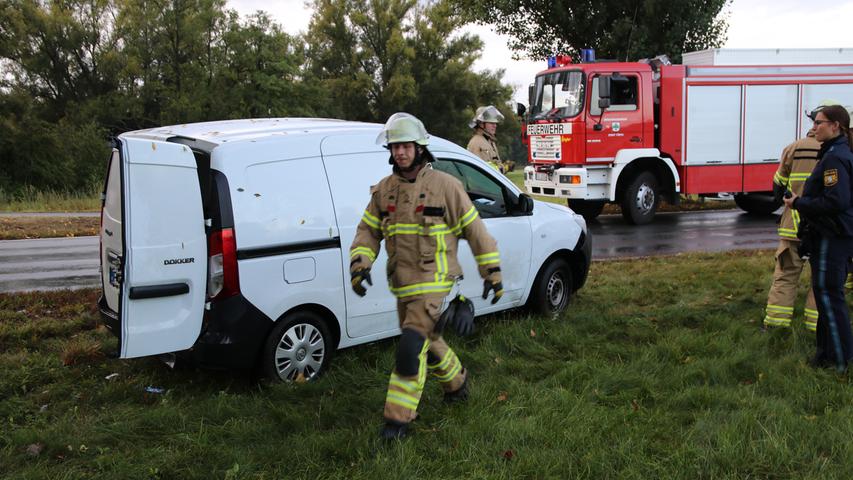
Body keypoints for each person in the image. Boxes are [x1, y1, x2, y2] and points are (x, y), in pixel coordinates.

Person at [350, 113, 504, 439]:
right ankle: (457, 383)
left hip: (436, 283)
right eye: (395, 147)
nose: (400, 153)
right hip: (403, 285)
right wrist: (360, 264)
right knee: (430, 340)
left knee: (410, 349)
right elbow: (367, 231)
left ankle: (397, 422)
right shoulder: (384, 191)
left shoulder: (446, 187)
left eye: (405, 146)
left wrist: (492, 274)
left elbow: (476, 231)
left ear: (420, 147)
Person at [784, 105, 853, 372]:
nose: (814, 128)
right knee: (825, 297)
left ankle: (840, 361)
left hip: (832, 237)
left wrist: (800, 203)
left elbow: (836, 200)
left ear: (835, 126)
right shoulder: (833, 154)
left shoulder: (835, 158)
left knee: (829, 295)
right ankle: (825, 355)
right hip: (830, 235)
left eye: (819, 123)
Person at [763, 106, 828, 332]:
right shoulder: (839, 151)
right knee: (820, 279)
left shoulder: (794, 148)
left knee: (785, 275)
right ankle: (815, 326)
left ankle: (775, 325)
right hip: (823, 227)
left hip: (793, 226)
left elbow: (778, 184)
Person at [467, 106, 505, 172]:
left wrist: (503, 168)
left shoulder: (489, 141)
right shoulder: (476, 143)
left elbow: (494, 164)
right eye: (491, 123)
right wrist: (502, 168)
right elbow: (482, 170)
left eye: (495, 123)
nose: (495, 125)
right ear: (481, 124)